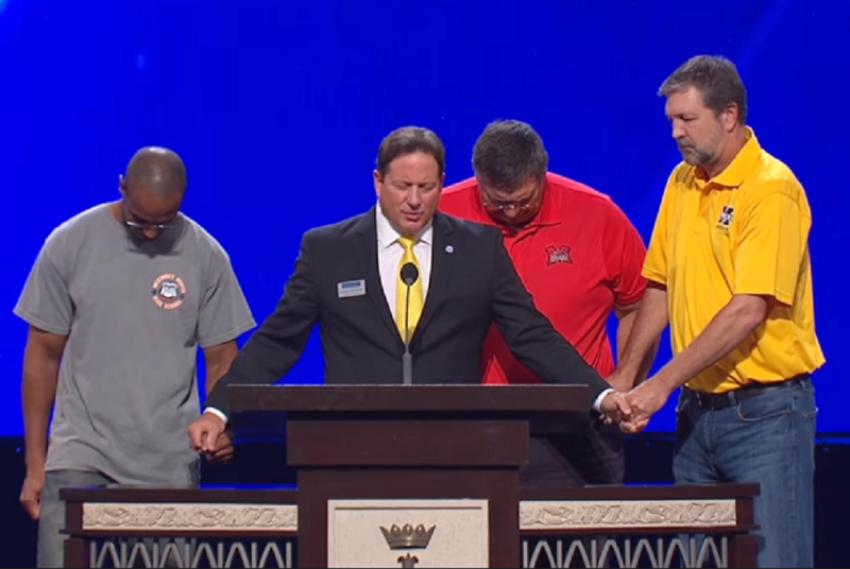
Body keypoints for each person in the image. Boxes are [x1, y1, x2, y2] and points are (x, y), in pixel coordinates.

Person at [186, 126, 632, 450]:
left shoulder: (480, 247)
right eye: (403, 186)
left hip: (454, 444)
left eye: (427, 186)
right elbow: (278, 341)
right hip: (351, 444)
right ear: (379, 182)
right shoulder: (327, 249)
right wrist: (220, 408)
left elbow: (531, 334)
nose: (415, 200)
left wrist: (600, 393)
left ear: (443, 184)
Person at [611, 55, 825, 568]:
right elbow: (659, 285)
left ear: (729, 115)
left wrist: (658, 385)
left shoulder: (770, 189)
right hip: (697, 415)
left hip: (766, 417)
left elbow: (747, 309)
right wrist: (627, 377)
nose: (676, 133)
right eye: (671, 122)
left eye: (687, 120)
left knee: (775, 560)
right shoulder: (682, 183)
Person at [14, 146, 257, 568]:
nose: (149, 234)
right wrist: (37, 463)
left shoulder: (207, 256)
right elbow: (42, 358)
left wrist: (221, 423)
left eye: (163, 223)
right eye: (139, 220)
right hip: (79, 456)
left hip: (168, 463)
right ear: (121, 187)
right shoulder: (69, 243)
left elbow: (222, 359)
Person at [439, 119, 653, 487]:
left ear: (542, 176)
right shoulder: (441, 214)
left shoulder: (596, 214)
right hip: (473, 423)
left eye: (523, 202)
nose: (510, 213)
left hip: (580, 423)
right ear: (478, 181)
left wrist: (625, 379)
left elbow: (641, 302)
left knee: (578, 544)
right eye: (496, 203)